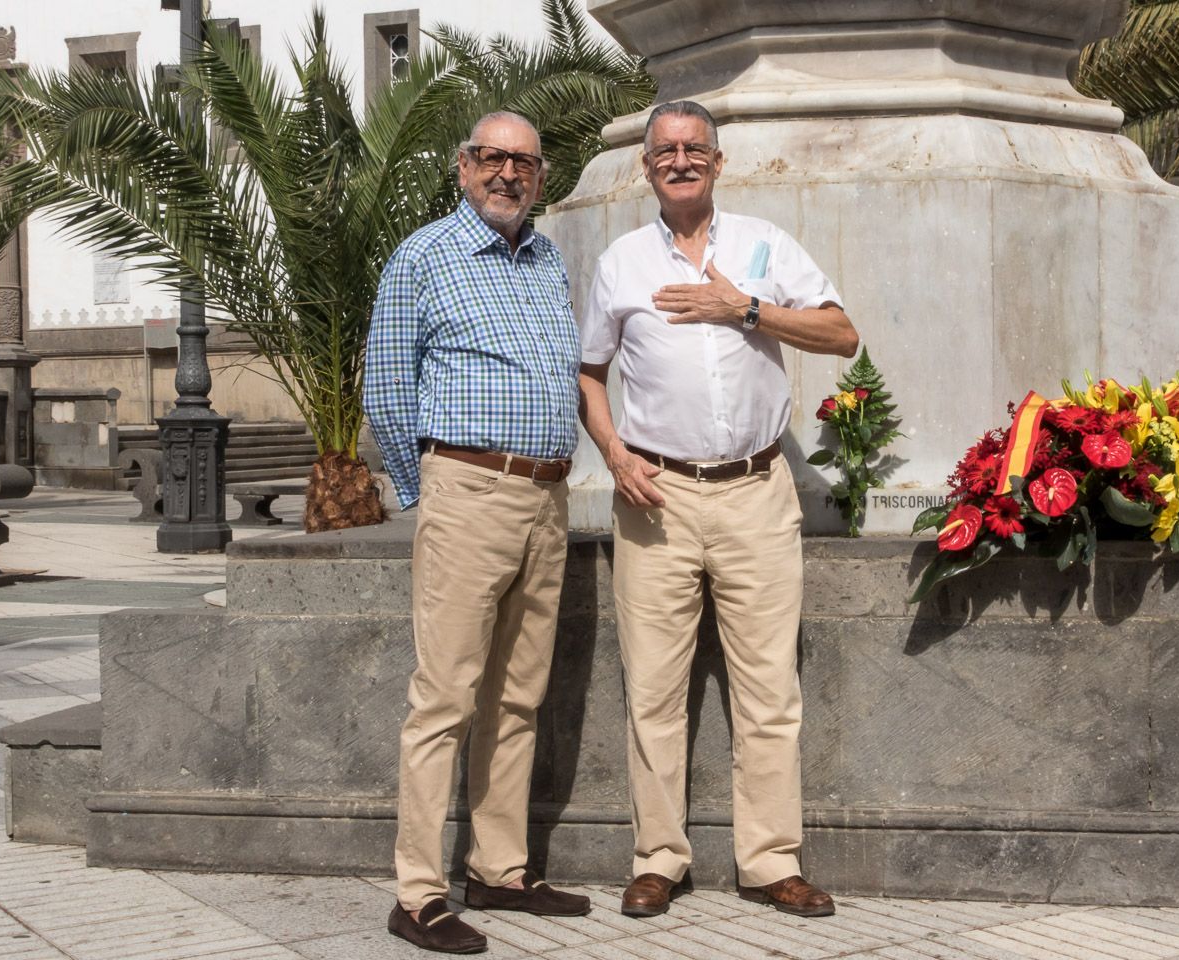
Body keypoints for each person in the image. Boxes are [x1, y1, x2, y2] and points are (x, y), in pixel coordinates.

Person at [577, 100, 859, 919]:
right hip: (656, 496)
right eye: (665, 150)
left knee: (769, 688)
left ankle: (770, 861)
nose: (680, 160)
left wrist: (745, 309)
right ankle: (658, 857)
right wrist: (616, 454)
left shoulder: (765, 245)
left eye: (694, 148)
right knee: (655, 691)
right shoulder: (620, 262)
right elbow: (590, 373)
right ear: (646, 166)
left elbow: (841, 335)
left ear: (718, 161)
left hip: (755, 493)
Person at [364, 111, 590, 955]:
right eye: (492, 159)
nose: (507, 174)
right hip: (469, 488)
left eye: (523, 162)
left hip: (545, 498)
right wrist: (434, 493)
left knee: (518, 693)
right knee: (446, 696)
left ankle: (499, 869)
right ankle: (418, 893)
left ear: (541, 174)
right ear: (463, 168)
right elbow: (387, 382)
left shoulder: (545, 257)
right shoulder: (424, 256)